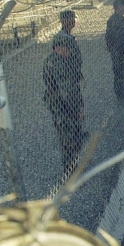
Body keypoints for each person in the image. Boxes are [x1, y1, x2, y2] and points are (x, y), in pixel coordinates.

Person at [44, 10, 87, 174]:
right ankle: (70, 171)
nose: (69, 53)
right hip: (62, 104)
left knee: (74, 134)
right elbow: (66, 91)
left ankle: (74, 165)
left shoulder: (63, 57)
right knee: (68, 137)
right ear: (58, 48)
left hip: (69, 101)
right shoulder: (56, 63)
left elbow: (73, 80)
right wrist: (78, 109)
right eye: (66, 50)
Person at [105, 0, 124, 100]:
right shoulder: (113, 21)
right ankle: (120, 97)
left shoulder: (120, 18)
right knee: (120, 75)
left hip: (123, 52)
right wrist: (118, 53)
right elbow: (111, 38)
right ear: (119, 7)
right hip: (118, 54)